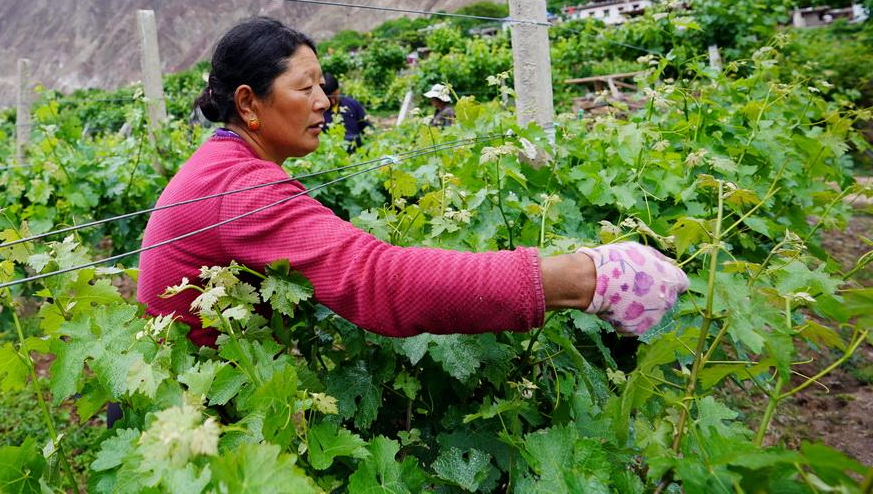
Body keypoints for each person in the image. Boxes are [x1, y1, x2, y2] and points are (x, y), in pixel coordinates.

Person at [136, 17, 687, 348]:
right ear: (248, 103)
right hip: (195, 422)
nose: (327, 102)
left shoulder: (226, 165)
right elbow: (377, 278)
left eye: (323, 85)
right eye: (306, 88)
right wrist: (581, 277)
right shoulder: (237, 186)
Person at [320, 71, 372, 148]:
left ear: (339, 90)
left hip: (356, 152)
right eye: (328, 98)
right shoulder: (319, 111)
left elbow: (366, 128)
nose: (332, 101)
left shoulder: (353, 104)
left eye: (334, 96)